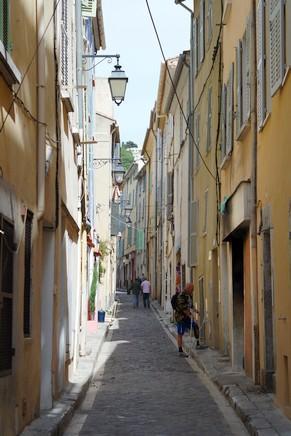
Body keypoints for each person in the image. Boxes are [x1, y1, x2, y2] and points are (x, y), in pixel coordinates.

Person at [175, 282, 200, 357]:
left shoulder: (188, 295)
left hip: (187, 317)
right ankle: (180, 350)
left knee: (195, 326)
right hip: (181, 318)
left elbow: (190, 305)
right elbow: (183, 307)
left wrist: (195, 310)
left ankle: (198, 343)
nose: (192, 291)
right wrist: (190, 315)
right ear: (188, 288)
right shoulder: (181, 296)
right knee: (180, 333)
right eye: (192, 289)